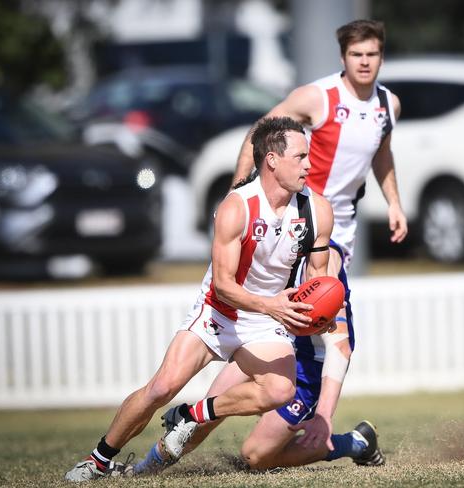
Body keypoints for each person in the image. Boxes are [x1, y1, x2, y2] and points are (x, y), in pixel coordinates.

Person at [130, 18, 405, 474]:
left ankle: (345, 437)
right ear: (343, 58)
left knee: (257, 455)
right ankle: (149, 467)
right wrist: (241, 187)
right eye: (356, 54)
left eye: (372, 54)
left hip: (330, 232)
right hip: (288, 224)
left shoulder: (388, 106)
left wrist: (394, 202)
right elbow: (262, 133)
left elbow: (382, 153)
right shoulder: (316, 98)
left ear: (381, 56)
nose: (364, 62)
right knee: (222, 395)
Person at [64, 116, 337, 482]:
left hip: (266, 322)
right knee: (161, 387)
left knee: (279, 390)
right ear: (272, 159)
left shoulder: (317, 211)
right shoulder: (236, 207)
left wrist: (320, 311)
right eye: (300, 157)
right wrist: (272, 304)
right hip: (219, 312)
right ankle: (97, 460)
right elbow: (223, 286)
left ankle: (191, 417)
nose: (309, 164)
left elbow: (318, 275)